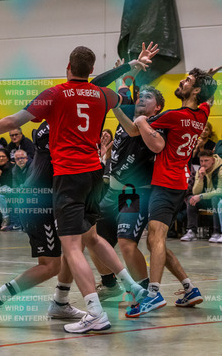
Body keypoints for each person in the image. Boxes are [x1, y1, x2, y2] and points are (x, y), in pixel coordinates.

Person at [0, 43, 157, 333]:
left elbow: (13, 121)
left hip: (64, 181)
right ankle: (83, 296)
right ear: (90, 70)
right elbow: (112, 91)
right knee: (74, 247)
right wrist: (130, 70)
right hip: (79, 180)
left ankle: (91, 309)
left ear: (68, 68)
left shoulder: (54, 97)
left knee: (71, 248)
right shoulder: (99, 95)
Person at [114, 66, 219, 317]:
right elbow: (210, 101)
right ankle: (189, 288)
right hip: (177, 183)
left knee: (155, 238)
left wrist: (123, 111)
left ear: (195, 90)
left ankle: (152, 294)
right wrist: (208, 78)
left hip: (163, 183)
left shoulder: (173, 116)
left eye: (187, 80)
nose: (182, 81)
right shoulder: (202, 114)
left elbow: (133, 131)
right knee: (154, 241)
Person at [0, 121, 87, 324]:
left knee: (73, 247)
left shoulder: (50, 125)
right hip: (39, 205)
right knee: (50, 265)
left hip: (43, 201)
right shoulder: (59, 129)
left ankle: (61, 302)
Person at [92, 84, 165, 300]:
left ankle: (145, 292)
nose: (142, 98)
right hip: (111, 193)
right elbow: (122, 88)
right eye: (140, 96)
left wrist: (116, 102)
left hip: (132, 194)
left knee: (126, 243)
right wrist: (123, 74)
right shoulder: (126, 116)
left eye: (148, 97)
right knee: (92, 238)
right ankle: (109, 284)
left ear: (157, 107)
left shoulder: (153, 125)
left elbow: (139, 134)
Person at [184, 149, 222, 242]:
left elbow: (221, 191)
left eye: (206, 160)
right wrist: (200, 178)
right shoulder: (200, 170)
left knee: (215, 198)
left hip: (221, 200)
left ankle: (217, 232)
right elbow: (195, 192)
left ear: (213, 160)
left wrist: (201, 196)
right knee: (191, 198)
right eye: (201, 161)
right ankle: (191, 231)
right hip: (207, 199)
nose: (203, 164)